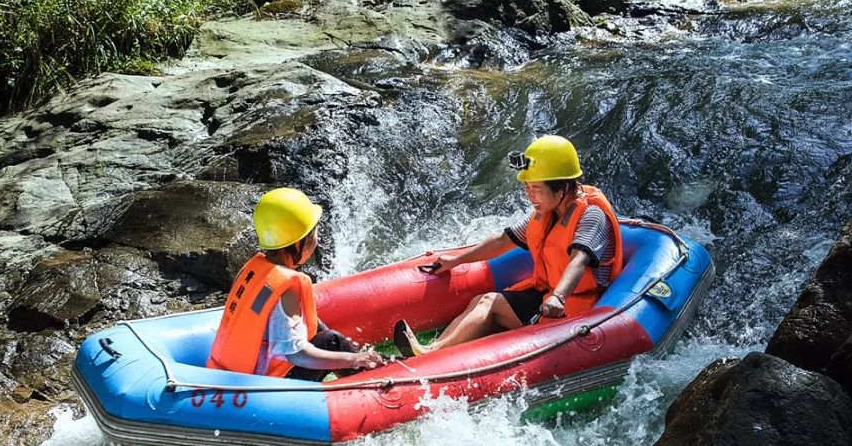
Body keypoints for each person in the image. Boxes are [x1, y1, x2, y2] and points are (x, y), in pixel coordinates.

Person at [393, 135, 622, 357]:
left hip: (578, 309)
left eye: (536, 189)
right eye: (527, 188)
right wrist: (457, 259)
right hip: (550, 296)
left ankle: (430, 354)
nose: (530, 196)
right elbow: (504, 240)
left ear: (561, 188)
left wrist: (558, 297)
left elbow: (579, 260)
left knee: (491, 304)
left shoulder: (591, 216)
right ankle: (434, 348)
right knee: (481, 299)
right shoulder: (548, 212)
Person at [207, 188, 382, 381]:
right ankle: (376, 379)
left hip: (234, 374)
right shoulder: (288, 290)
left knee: (327, 336)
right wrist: (355, 358)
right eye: (314, 233)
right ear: (299, 242)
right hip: (268, 386)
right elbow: (296, 354)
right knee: (332, 341)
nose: (316, 240)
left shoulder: (257, 270)